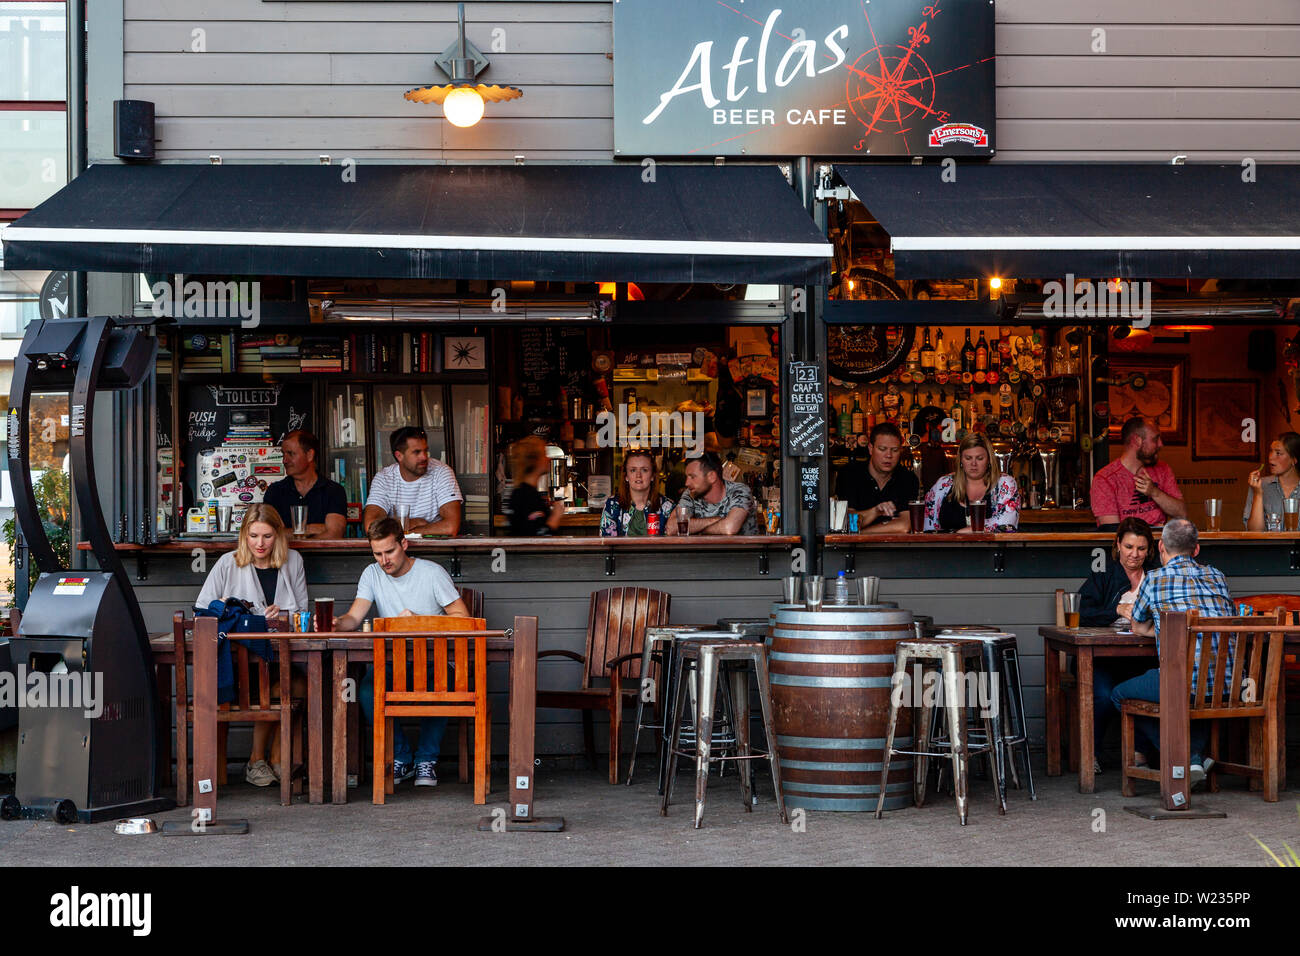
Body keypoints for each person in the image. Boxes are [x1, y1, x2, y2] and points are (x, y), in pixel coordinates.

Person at [329, 518, 470, 788]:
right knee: (367, 690)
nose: (384, 560)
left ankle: (426, 760)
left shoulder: (431, 572)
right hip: (393, 662)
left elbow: (463, 618)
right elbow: (353, 618)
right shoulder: (372, 573)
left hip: (435, 660)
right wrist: (337, 622)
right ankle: (402, 757)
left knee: (443, 684)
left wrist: (419, 620)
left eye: (389, 552)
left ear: (403, 544)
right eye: (377, 554)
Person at [1111, 518, 1234, 786]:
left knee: (1120, 694)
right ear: (1196, 549)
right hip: (1229, 684)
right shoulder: (1218, 576)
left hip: (1184, 683)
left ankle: (1188, 759)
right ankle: (1196, 760)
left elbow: (1138, 624)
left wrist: (1159, 628)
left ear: (1161, 547)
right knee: (1191, 694)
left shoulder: (1154, 578)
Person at [194, 503, 308, 788]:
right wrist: (243, 616)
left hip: (278, 657)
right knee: (278, 685)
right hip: (235, 666)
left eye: (267, 536)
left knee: (299, 685)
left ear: (278, 535)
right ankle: (260, 760)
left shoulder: (293, 560)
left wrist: (282, 614)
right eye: (253, 536)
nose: (260, 543)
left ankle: (274, 758)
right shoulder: (227, 562)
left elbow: (302, 614)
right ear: (244, 535)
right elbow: (202, 610)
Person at [1076, 516, 1159, 771]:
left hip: (1143, 657)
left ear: (1150, 550)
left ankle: (1141, 753)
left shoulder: (1156, 576)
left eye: (1141, 548)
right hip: (1102, 658)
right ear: (1118, 545)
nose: (1134, 554)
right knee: (1100, 694)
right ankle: (1092, 754)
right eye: (1129, 547)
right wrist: (1117, 609)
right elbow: (1083, 614)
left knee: (1154, 689)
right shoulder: (1103, 573)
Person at [362, 426, 462, 536]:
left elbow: (451, 527)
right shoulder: (384, 478)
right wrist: (415, 523)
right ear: (399, 456)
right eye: (417, 452)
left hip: (435, 550)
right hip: (396, 551)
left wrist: (406, 532)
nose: (424, 457)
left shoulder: (441, 472)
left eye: (425, 451)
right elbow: (371, 527)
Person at [1091, 416, 1185, 529]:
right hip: (1128, 546)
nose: (1161, 444)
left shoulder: (1163, 469)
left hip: (1160, 544)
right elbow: (1111, 532)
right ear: (1137, 440)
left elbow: (1182, 513)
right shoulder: (1105, 478)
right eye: (1155, 439)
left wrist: (1154, 492)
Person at [923, 433, 1019, 532]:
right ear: (960, 460)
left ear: (989, 460)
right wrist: (959, 535)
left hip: (991, 547)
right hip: (948, 547)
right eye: (968, 458)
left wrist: (967, 531)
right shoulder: (943, 484)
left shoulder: (1005, 483)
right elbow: (928, 529)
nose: (973, 464)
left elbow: (1007, 527)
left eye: (979, 458)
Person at [834, 422, 919, 533]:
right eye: (882, 449)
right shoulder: (849, 474)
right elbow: (846, 522)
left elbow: (904, 526)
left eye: (894, 450)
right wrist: (875, 512)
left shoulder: (907, 478)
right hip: (854, 549)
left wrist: (861, 533)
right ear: (870, 448)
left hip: (896, 548)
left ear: (900, 451)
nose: (888, 455)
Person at [262, 429, 348, 538]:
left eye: (290, 454)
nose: (284, 460)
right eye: (283, 454)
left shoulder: (334, 490)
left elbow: (334, 534)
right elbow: (270, 534)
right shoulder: (274, 491)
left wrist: (289, 532)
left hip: (322, 556)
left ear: (309, 455)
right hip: (284, 555)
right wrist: (313, 528)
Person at [667, 451, 756, 535]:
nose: (687, 483)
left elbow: (730, 528)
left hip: (742, 551)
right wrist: (715, 520)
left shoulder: (739, 491)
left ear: (712, 477)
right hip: (704, 551)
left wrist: (695, 529)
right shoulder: (690, 493)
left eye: (692, 477)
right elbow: (671, 528)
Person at [601, 450, 675, 536]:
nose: (638, 475)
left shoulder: (667, 506)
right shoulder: (612, 504)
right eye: (633, 470)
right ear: (626, 476)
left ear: (652, 476)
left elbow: (673, 543)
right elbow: (606, 543)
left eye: (644, 470)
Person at [506, 436, 564, 536]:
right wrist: (555, 516)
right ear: (535, 461)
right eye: (544, 455)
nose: (548, 459)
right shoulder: (526, 495)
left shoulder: (524, 492)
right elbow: (538, 537)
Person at [1244, 431, 1300, 530]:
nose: (1270, 458)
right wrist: (1258, 494)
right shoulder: (1260, 484)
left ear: (1294, 459)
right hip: (1270, 546)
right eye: (1271, 451)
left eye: (1278, 453)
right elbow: (1254, 533)